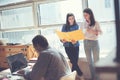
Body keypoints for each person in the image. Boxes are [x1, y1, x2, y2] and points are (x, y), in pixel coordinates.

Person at [61, 13, 84, 80]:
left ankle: (71, 77)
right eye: (70, 19)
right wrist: (63, 40)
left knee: (75, 62)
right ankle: (80, 74)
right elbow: (62, 38)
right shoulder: (64, 26)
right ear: (67, 19)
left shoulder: (76, 26)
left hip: (75, 46)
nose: (71, 20)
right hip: (67, 47)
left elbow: (78, 36)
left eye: (72, 18)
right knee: (73, 61)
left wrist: (76, 40)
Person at [82, 8, 102, 80]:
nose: (85, 17)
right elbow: (81, 33)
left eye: (86, 15)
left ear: (90, 15)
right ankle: (93, 78)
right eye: (84, 15)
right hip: (86, 42)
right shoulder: (83, 23)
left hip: (94, 42)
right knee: (90, 62)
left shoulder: (96, 22)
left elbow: (100, 32)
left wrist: (92, 31)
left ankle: (98, 78)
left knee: (97, 61)